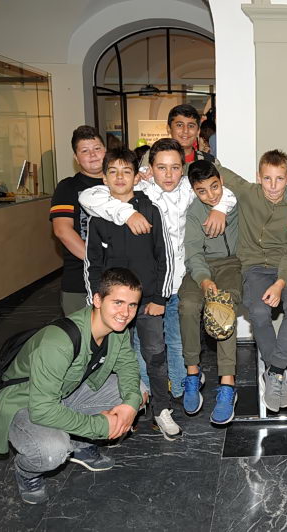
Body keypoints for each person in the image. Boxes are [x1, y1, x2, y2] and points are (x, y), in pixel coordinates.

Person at [79, 139, 236, 402]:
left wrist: (219, 209)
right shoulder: (142, 189)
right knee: (145, 344)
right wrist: (126, 213)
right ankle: (149, 394)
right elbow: (87, 196)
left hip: (181, 279)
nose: (168, 174)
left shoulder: (188, 188)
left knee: (177, 339)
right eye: (161, 167)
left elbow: (226, 192)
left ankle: (181, 388)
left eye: (175, 167)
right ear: (149, 168)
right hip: (150, 283)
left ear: (183, 169)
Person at [0, 267, 144, 505]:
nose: (125, 313)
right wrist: (100, 426)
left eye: (132, 305)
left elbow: (128, 366)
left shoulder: (117, 329)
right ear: (97, 300)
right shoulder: (58, 342)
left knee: (138, 391)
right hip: (25, 402)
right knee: (52, 451)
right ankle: (27, 472)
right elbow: (42, 409)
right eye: (118, 303)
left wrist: (130, 406)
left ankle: (81, 444)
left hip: (66, 391)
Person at [83, 147, 181, 440]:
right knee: (114, 358)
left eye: (126, 171)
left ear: (136, 177)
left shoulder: (150, 210)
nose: (120, 177)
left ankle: (161, 410)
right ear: (104, 178)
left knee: (155, 356)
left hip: (149, 301)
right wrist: (96, 300)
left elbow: (165, 256)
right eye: (113, 172)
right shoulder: (99, 217)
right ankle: (123, 411)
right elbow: (92, 264)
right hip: (112, 306)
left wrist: (160, 298)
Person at [222, 150, 287, 413]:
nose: (273, 186)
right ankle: (277, 373)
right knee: (259, 311)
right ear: (258, 177)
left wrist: (280, 283)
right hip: (254, 268)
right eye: (267, 179)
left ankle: (275, 371)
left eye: (280, 179)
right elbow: (218, 171)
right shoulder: (248, 193)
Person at [180, 160, 242, 424]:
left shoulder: (235, 199)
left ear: (221, 181)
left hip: (231, 264)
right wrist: (203, 279)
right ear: (194, 190)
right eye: (202, 191)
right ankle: (193, 373)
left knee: (222, 306)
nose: (211, 195)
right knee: (187, 305)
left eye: (214, 186)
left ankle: (228, 384)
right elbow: (193, 251)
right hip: (200, 266)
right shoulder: (194, 210)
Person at [50, 125, 106, 315]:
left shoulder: (121, 182)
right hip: (79, 282)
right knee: (81, 332)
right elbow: (62, 230)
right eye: (85, 151)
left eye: (97, 148)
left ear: (105, 150)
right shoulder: (67, 187)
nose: (93, 155)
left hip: (120, 281)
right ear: (76, 157)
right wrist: (99, 263)